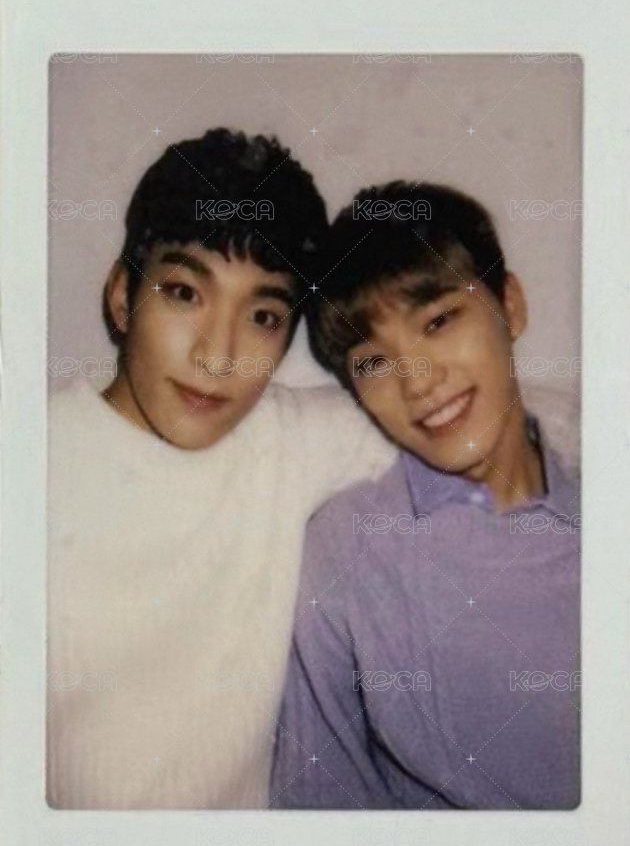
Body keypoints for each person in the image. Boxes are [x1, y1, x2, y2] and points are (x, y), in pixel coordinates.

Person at [47, 129, 394, 809]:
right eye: (183, 292)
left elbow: (453, 410)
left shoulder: (288, 441)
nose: (218, 356)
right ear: (121, 296)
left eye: (262, 315)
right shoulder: (33, 466)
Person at [270, 181, 580, 810]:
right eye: (373, 362)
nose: (418, 381)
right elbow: (320, 799)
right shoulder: (348, 549)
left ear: (510, 305)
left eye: (438, 321)